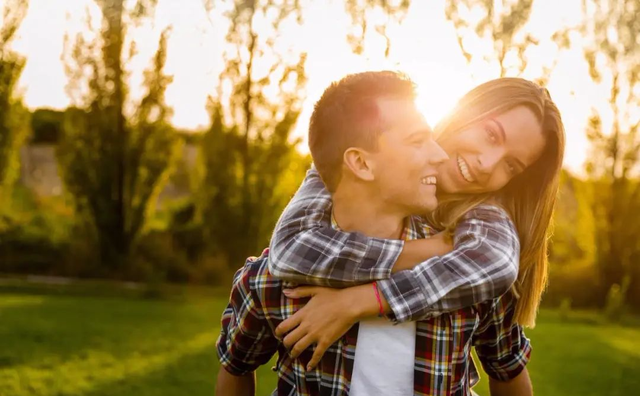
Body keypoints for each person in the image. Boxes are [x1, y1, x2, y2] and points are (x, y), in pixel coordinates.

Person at [267, 75, 566, 394]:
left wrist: (360, 300)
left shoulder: (481, 222)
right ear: (465, 111)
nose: (487, 164)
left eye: (511, 166)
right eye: (491, 135)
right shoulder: (359, 153)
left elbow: (498, 267)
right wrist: (427, 250)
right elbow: (289, 248)